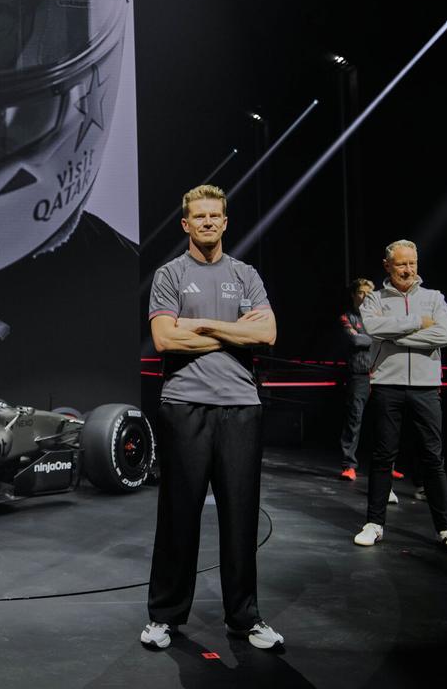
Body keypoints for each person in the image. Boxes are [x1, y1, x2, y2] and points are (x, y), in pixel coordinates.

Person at [140, 184, 284, 651]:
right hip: (184, 405)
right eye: (198, 216)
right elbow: (165, 340)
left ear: (225, 222)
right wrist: (235, 333)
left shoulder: (244, 275)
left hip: (241, 407)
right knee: (178, 515)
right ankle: (164, 616)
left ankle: (244, 618)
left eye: (214, 216)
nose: (206, 222)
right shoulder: (169, 275)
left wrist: (202, 326)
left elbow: (268, 334)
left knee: (240, 518)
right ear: (186, 224)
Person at [352, 240, 447, 556]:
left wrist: (398, 333)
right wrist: (419, 322)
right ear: (387, 265)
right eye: (402, 264)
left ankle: (445, 528)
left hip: (426, 386)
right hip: (387, 385)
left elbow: (444, 335)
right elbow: (374, 329)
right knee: (382, 457)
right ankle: (374, 524)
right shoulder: (374, 299)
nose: (408, 270)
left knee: (433, 458)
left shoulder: (434, 298)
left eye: (413, 263)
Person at [338, 278, 374, 481]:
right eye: (361, 292)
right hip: (358, 375)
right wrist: (375, 338)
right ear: (354, 294)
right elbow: (355, 339)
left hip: (380, 375)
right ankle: (349, 465)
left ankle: (388, 465)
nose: (365, 297)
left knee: (384, 421)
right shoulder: (347, 317)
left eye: (369, 293)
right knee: (354, 419)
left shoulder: (379, 317)